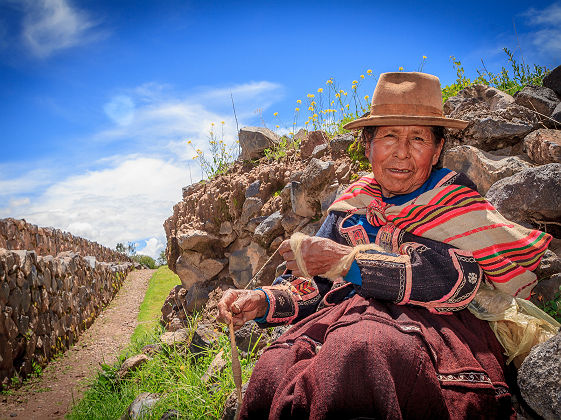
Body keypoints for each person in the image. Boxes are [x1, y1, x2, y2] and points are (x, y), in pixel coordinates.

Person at [218, 72, 552, 419]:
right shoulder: (352, 204)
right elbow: (313, 286)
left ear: (438, 149)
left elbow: (456, 280)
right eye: (389, 136)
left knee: (362, 350)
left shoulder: (455, 203)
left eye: (419, 139)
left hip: (435, 325)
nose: (402, 153)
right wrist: (260, 300)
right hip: (341, 320)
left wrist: (347, 261)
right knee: (275, 366)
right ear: (368, 145)